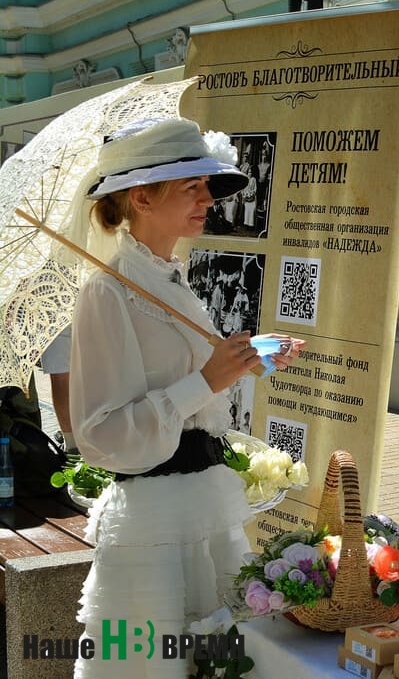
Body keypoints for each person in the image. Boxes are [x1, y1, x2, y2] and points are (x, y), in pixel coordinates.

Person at [68, 116, 305, 678]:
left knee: (224, 659)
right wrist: (208, 379)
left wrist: (248, 358)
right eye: (190, 187)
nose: (207, 199)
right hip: (154, 525)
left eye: (207, 186)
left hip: (204, 506)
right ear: (142, 197)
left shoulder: (170, 277)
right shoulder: (107, 291)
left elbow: (187, 382)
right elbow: (98, 434)